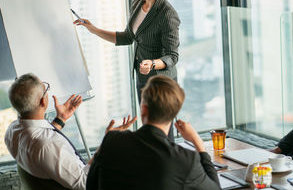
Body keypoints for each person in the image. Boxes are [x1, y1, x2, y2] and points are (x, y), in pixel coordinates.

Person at [74, 0, 180, 141]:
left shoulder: (167, 15)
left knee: (163, 136)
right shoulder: (138, 3)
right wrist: (93, 29)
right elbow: (128, 37)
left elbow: (172, 56)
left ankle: (167, 168)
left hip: (162, 83)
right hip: (143, 79)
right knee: (150, 132)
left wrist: (153, 63)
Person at [86, 75, 221, 190]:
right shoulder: (186, 160)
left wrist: (107, 141)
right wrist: (198, 142)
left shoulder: (112, 140)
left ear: (144, 109)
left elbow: (90, 185)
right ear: (174, 113)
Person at [5, 73, 136, 190]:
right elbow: (86, 182)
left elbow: (38, 145)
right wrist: (107, 142)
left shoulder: (12, 131)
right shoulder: (48, 146)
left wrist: (60, 119)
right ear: (42, 102)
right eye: (46, 89)